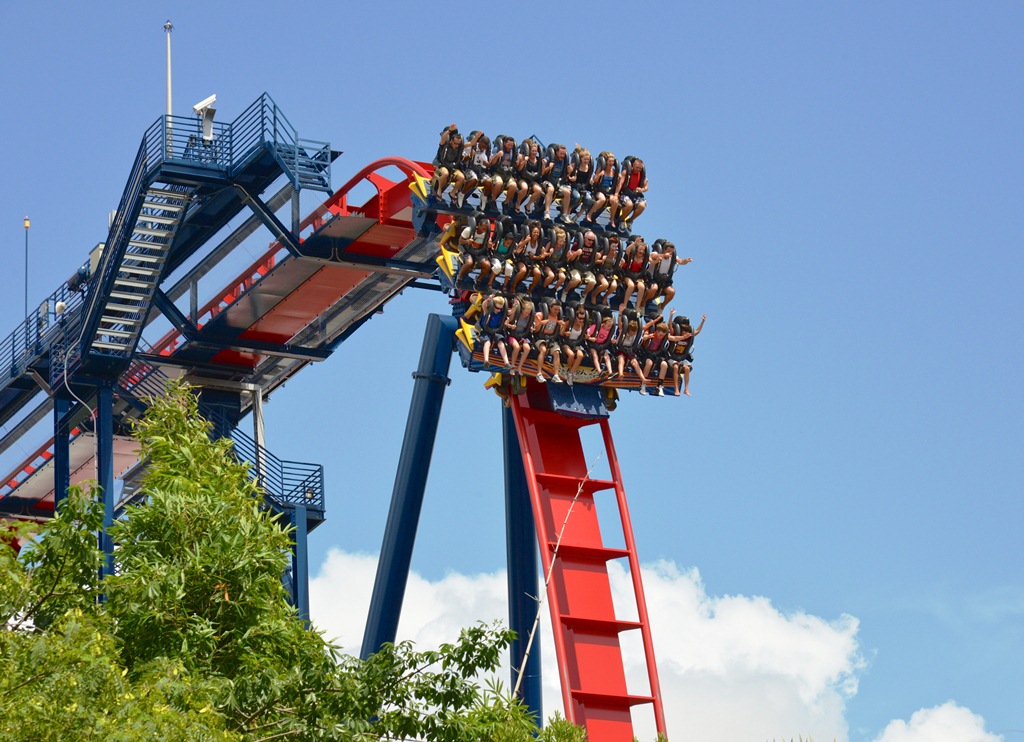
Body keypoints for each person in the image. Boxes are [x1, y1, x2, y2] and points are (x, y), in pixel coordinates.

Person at [667, 314, 706, 396]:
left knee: (687, 368)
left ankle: (686, 389)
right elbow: (670, 326)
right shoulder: (675, 334)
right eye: (683, 332)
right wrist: (671, 316)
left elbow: (697, 331)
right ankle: (676, 389)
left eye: (686, 332)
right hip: (671, 357)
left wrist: (702, 321)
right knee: (675, 367)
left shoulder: (689, 336)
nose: (684, 334)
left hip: (681, 358)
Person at [645, 240, 692, 306]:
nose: (670, 253)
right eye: (668, 251)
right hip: (652, 278)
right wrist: (663, 255)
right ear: (664, 250)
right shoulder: (657, 253)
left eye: (671, 252)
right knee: (654, 288)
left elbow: (680, 261)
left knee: (671, 292)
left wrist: (686, 260)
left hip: (664, 280)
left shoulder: (673, 257)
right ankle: (643, 304)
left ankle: (661, 306)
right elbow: (653, 256)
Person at [585, 152, 621, 229]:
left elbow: (617, 184)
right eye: (610, 161)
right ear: (606, 162)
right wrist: (599, 175)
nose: (611, 163)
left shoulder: (614, 172)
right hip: (599, 190)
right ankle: (589, 214)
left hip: (609, 191)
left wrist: (616, 194)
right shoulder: (601, 170)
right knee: (602, 199)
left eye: (612, 161)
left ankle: (612, 219)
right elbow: (594, 181)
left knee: (615, 201)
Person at [612, 315, 647, 392]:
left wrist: (654, 321)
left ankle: (643, 378)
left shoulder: (636, 332)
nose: (632, 335)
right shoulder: (623, 331)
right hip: (621, 349)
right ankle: (620, 373)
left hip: (629, 350)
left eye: (633, 334)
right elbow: (620, 324)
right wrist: (620, 313)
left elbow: (644, 327)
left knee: (635, 363)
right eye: (631, 333)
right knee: (621, 360)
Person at [433, 124, 466, 206]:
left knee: (462, 177)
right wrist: (449, 131)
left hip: (453, 167)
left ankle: (453, 193)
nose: (456, 145)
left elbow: (469, 144)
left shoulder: (458, 146)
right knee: (445, 173)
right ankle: (439, 191)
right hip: (443, 165)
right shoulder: (445, 144)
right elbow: (443, 139)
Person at [639, 316, 672, 396]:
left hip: (656, 354)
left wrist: (684, 337)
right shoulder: (650, 331)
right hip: (646, 353)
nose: (661, 337)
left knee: (664, 365)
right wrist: (647, 337)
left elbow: (673, 338)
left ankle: (659, 386)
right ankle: (643, 384)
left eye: (663, 336)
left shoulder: (664, 336)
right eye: (660, 335)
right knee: (649, 363)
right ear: (657, 331)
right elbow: (644, 336)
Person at [531, 301, 563, 383]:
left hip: (551, 339)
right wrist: (541, 323)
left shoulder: (558, 317)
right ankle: (539, 373)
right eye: (555, 309)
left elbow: (560, 333)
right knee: (543, 350)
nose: (556, 311)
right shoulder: (540, 315)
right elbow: (535, 331)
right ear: (550, 308)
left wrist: (562, 326)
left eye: (558, 310)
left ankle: (556, 375)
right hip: (540, 338)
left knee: (557, 352)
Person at [488, 136, 520, 215]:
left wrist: (519, 159)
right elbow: (491, 162)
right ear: (504, 143)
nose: (510, 147)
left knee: (513, 185)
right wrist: (498, 155)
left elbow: (516, 165)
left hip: (508, 174)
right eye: (508, 145)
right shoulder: (497, 150)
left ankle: (506, 203)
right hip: (497, 173)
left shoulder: (513, 152)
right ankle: (493, 200)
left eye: (511, 146)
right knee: (499, 183)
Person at [456, 216, 492, 286]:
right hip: (468, 250)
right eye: (483, 228)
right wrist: (467, 241)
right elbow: (460, 241)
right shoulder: (469, 230)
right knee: (469, 262)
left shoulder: (486, 234)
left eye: (486, 229)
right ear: (479, 225)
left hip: (479, 252)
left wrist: (489, 245)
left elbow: (488, 243)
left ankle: (478, 279)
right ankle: (459, 278)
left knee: (487, 265)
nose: (484, 231)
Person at [477, 294, 510, 367]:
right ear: (493, 305)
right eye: (497, 308)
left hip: (496, 331)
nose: (499, 310)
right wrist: (489, 299)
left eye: (500, 309)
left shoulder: (501, 313)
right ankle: (486, 360)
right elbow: (484, 305)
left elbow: (511, 312)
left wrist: (516, 306)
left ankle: (506, 363)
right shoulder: (488, 311)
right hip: (486, 331)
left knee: (501, 343)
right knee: (487, 342)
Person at [541, 144, 572, 223]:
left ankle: (564, 215)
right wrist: (549, 167)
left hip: (558, 182)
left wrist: (569, 171)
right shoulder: (549, 159)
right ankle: (547, 212)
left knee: (567, 192)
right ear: (556, 153)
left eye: (564, 154)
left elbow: (567, 174)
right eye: (561, 154)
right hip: (547, 181)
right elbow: (542, 173)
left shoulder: (564, 161)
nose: (562, 156)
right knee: (551, 189)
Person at [559, 303, 589, 384]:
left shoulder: (583, 325)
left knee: (580, 355)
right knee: (571, 355)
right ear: (575, 317)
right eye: (579, 318)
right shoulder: (569, 323)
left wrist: (587, 336)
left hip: (576, 344)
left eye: (583, 319)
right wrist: (565, 333)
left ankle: (570, 373)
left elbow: (585, 335)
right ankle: (571, 369)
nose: (581, 320)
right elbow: (561, 334)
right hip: (566, 343)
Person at [618, 235, 649, 312]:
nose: (641, 251)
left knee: (642, 287)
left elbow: (653, 259)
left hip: (637, 276)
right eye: (640, 249)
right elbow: (628, 250)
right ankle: (624, 304)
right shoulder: (631, 255)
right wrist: (635, 243)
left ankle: (637, 307)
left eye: (643, 250)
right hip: (627, 275)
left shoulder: (644, 258)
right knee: (631, 286)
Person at [505, 297, 535, 376]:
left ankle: (519, 367)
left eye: (528, 313)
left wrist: (531, 328)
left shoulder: (529, 318)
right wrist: (511, 326)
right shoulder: (516, 315)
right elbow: (506, 323)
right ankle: (512, 367)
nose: (526, 314)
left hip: (522, 336)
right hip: (512, 335)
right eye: (525, 312)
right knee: (517, 347)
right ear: (522, 310)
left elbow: (530, 327)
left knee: (527, 348)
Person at [617, 156, 648, 227]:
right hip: (626, 193)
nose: (638, 170)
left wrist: (642, 189)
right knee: (629, 205)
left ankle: (630, 220)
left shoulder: (642, 175)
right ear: (633, 165)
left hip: (636, 194)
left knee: (642, 206)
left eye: (640, 168)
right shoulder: (626, 172)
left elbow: (646, 187)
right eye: (637, 168)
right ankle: (621, 219)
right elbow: (620, 183)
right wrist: (616, 194)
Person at [516, 141, 546, 216]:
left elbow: (541, 174)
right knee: (524, 188)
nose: (534, 153)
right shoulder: (525, 158)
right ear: (529, 151)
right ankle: (518, 203)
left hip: (533, 180)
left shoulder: (539, 160)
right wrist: (524, 161)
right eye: (533, 151)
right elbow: (519, 169)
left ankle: (528, 205)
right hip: (523, 178)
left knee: (539, 190)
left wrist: (543, 165)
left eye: (536, 151)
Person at [566, 146, 594, 222]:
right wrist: (570, 177)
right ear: (580, 159)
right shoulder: (575, 166)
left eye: (588, 159)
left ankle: (578, 215)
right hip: (575, 186)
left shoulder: (589, 167)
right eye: (585, 159)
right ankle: (568, 213)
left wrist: (591, 180)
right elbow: (566, 174)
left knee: (588, 199)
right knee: (576, 197)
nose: (586, 161)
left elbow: (589, 177)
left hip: (584, 187)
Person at [541, 227, 571, 295]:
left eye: (563, 241)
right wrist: (549, 253)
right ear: (556, 240)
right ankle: (543, 288)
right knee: (551, 276)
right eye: (560, 241)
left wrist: (568, 256)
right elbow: (543, 255)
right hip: (548, 264)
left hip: (557, 265)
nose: (562, 243)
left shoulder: (564, 246)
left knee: (563, 277)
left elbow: (566, 259)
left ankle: (554, 290)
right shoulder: (550, 244)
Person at [586, 313, 617, 378]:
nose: (609, 327)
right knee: (595, 355)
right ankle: (599, 371)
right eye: (608, 326)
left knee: (606, 356)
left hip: (602, 346)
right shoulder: (596, 327)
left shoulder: (609, 331)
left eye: (611, 326)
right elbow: (586, 335)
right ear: (604, 324)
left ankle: (610, 373)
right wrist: (590, 338)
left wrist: (612, 341)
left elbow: (609, 338)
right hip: (593, 345)